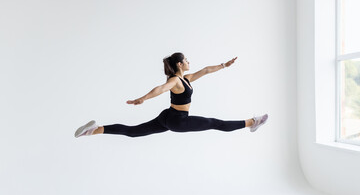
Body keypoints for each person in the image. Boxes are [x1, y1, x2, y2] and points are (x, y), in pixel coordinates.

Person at [74, 52, 268, 138]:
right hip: (178, 121)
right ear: (179, 64)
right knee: (215, 123)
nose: (189, 61)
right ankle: (253, 122)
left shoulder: (186, 78)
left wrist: (224, 65)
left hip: (168, 117)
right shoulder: (175, 80)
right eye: (186, 60)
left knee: (134, 132)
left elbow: (206, 70)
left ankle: (96, 129)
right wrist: (142, 99)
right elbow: (160, 89)